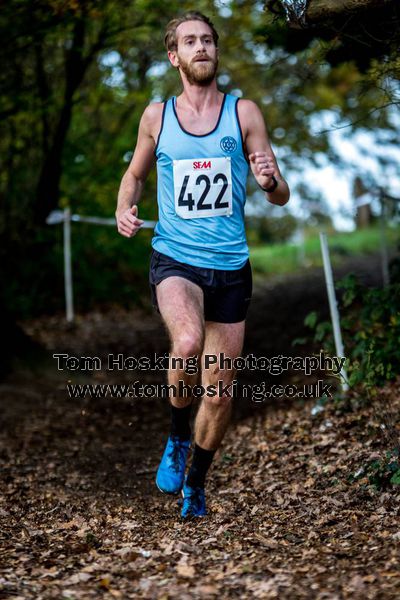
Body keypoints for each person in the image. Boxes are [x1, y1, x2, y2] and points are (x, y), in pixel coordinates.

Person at [116, 11, 290, 518]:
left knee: (218, 393)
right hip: (175, 257)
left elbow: (280, 195)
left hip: (231, 267)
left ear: (216, 51)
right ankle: (175, 436)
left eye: (208, 40)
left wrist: (270, 179)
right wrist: (124, 207)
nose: (201, 47)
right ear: (175, 56)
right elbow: (134, 175)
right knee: (187, 342)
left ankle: (196, 482)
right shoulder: (157, 116)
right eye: (190, 41)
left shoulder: (245, 113)